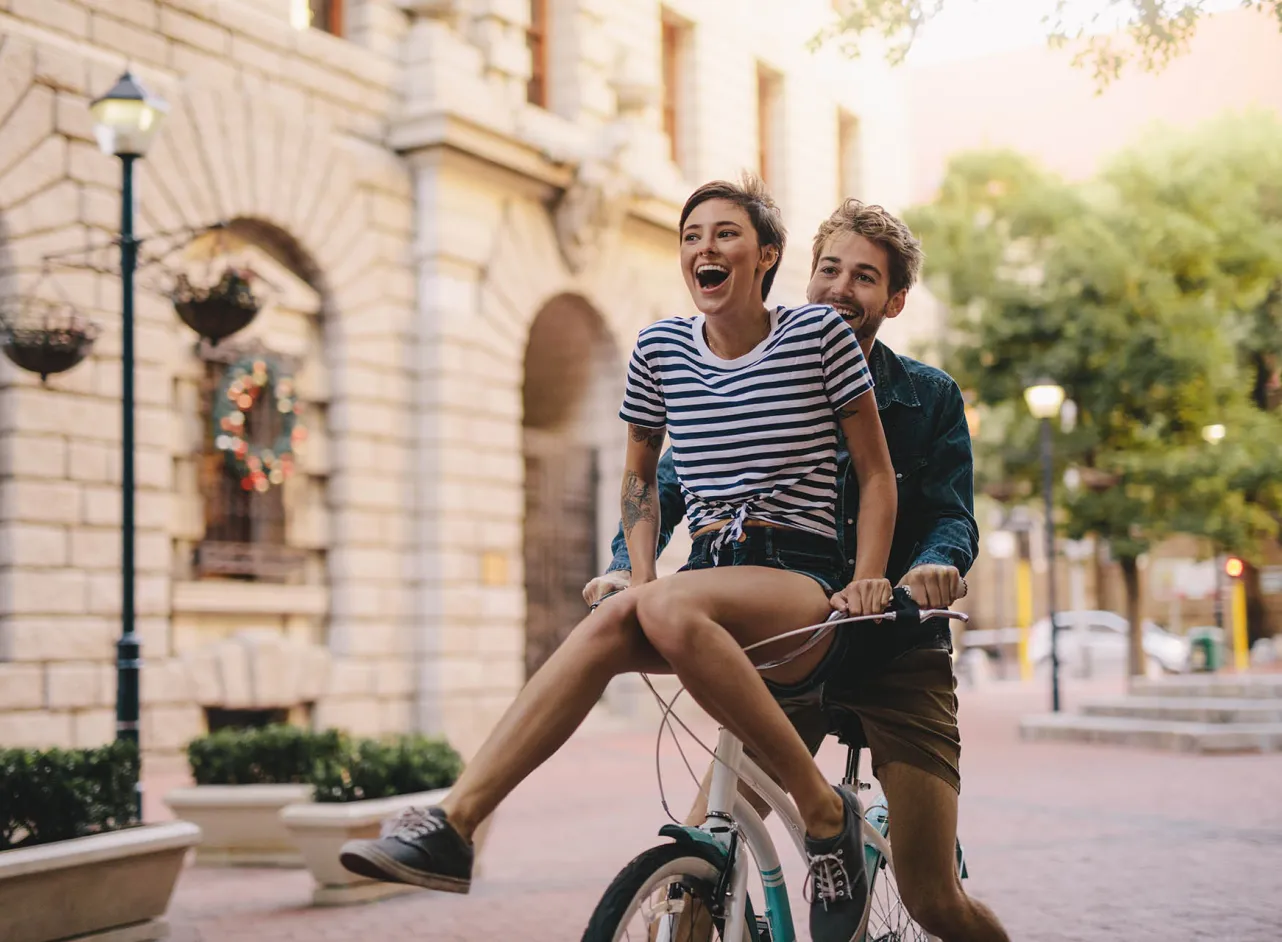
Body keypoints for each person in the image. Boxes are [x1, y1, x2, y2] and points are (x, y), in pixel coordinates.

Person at [340, 177, 898, 942]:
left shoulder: (818, 338)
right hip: (706, 576)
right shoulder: (659, 348)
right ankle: (454, 823)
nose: (706, 247)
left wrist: (867, 575)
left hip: (800, 584)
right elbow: (640, 478)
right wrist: (637, 580)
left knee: (663, 601)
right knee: (615, 618)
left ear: (766, 256)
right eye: (692, 234)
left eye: (727, 233)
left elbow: (874, 472)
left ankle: (824, 815)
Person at [588, 198, 1010, 942]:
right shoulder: (754, 371)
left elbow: (950, 513)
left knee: (932, 897)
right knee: (701, 860)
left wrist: (933, 567)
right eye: (831, 269)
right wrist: (628, 570)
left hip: (893, 648)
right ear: (803, 275)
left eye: (867, 278)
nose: (843, 288)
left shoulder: (930, 396)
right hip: (788, 648)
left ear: (896, 300)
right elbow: (670, 486)